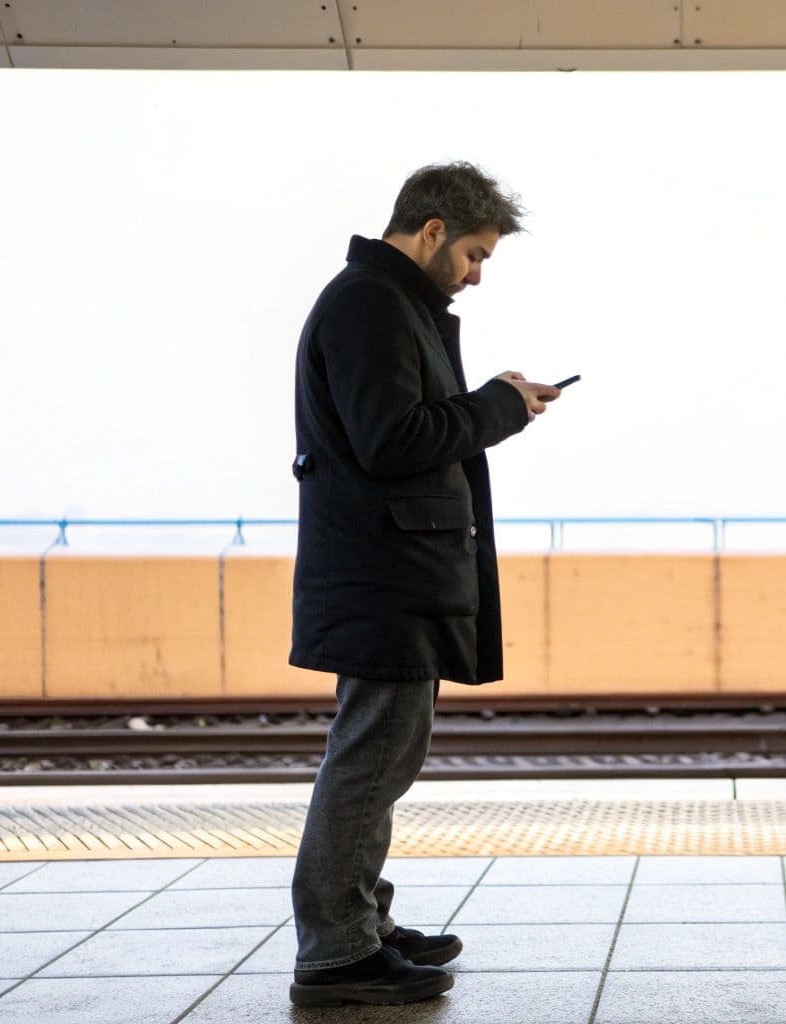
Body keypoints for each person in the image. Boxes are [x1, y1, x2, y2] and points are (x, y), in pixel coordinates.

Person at [284, 161, 560, 1007]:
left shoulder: (395, 303)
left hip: (393, 572)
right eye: (475, 254)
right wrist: (501, 407)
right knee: (369, 761)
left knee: (381, 760)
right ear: (432, 231)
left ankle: (361, 921)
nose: (477, 275)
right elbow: (393, 439)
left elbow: (402, 428)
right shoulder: (370, 303)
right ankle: (336, 952)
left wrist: (487, 395)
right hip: (384, 577)